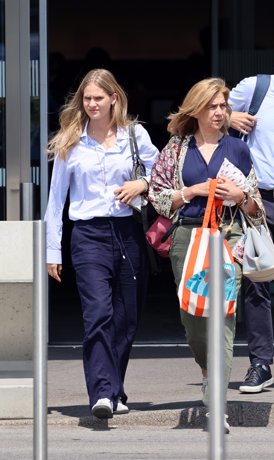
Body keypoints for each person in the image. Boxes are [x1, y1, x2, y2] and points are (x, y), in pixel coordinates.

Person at [148, 77, 264, 432]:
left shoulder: (239, 150)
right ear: (196, 110)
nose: (219, 112)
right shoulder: (177, 149)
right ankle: (206, 371)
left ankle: (217, 403)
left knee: (224, 320)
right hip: (187, 237)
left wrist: (240, 197)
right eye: (212, 106)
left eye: (223, 107)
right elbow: (157, 195)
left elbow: (257, 209)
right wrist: (192, 190)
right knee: (194, 319)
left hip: (228, 237)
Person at [44, 68, 159, 418]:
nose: (92, 104)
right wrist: (53, 249)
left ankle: (115, 389)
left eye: (98, 98)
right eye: (87, 98)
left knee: (126, 318)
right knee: (98, 314)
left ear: (113, 98)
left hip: (128, 232)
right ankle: (102, 393)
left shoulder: (135, 135)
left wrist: (142, 185)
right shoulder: (71, 140)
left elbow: (164, 173)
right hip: (88, 236)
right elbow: (55, 200)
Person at [229, 32, 274, 394]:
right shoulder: (253, 88)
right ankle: (260, 364)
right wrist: (231, 116)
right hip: (254, 201)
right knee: (256, 282)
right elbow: (206, 112)